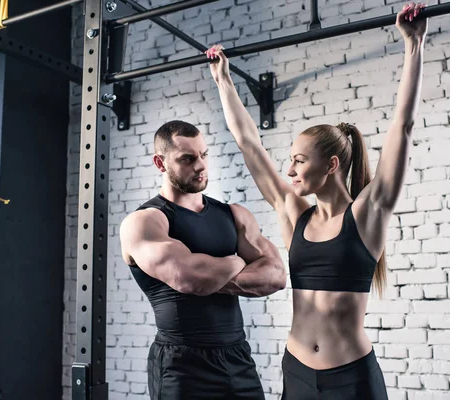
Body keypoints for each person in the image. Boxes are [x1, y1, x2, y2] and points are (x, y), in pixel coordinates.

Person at [206, 3, 428, 399]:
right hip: (297, 373)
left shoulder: (367, 213)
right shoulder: (296, 215)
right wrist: (223, 81)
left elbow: (403, 126)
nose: (289, 169)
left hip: (352, 379)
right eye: (290, 160)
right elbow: (248, 143)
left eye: (298, 161)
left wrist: (414, 46)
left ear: (331, 165)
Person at [119, 120, 287, 400]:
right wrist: (236, 261)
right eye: (187, 158)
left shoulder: (233, 215)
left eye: (204, 155)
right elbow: (189, 278)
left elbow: (276, 275)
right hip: (181, 363)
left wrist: (211, 275)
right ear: (160, 163)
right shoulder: (145, 222)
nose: (200, 166)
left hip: (238, 357)